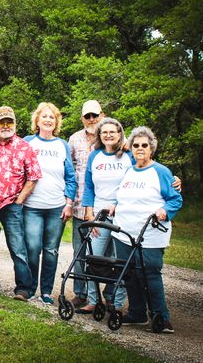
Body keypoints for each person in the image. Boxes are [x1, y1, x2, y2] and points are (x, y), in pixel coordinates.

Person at [111, 126, 182, 333]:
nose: (140, 148)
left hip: (150, 234)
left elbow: (175, 199)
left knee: (149, 274)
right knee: (129, 274)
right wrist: (115, 205)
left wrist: (164, 210)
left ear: (151, 148)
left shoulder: (160, 171)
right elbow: (122, 196)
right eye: (136, 145)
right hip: (124, 232)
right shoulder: (129, 170)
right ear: (131, 148)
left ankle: (161, 317)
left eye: (144, 145)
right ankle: (137, 313)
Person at [0, 106, 42, 301]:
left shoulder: (24, 146)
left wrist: (20, 199)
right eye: (1, 122)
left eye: (9, 122)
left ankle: (23, 287)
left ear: (15, 123)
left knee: (17, 247)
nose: (5, 126)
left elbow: (33, 177)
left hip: (12, 203)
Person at [75, 118, 132, 314]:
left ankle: (116, 303)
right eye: (104, 132)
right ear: (99, 135)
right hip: (99, 215)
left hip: (123, 214)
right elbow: (89, 187)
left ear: (120, 134)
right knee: (93, 257)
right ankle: (92, 300)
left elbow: (145, 173)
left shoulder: (128, 155)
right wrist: (89, 214)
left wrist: (174, 180)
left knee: (120, 260)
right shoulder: (95, 156)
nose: (108, 135)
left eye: (112, 132)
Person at [23, 102, 77, 305]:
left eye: (51, 117)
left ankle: (46, 291)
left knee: (51, 250)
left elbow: (70, 177)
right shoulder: (27, 142)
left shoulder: (62, 145)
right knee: (33, 247)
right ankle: (29, 289)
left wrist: (69, 202)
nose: (47, 120)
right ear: (37, 120)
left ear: (56, 122)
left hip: (56, 207)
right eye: (44, 116)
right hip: (32, 207)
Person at [67, 99, 105, 308]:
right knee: (79, 251)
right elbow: (68, 171)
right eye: (87, 116)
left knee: (104, 254)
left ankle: (107, 295)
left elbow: (137, 158)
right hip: (80, 205)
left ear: (102, 115)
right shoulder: (74, 139)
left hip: (106, 208)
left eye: (95, 115)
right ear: (82, 118)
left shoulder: (112, 135)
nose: (91, 120)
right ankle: (81, 293)